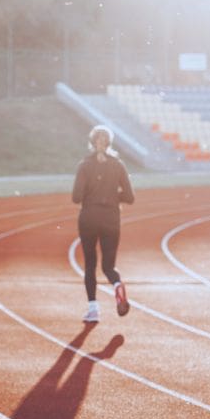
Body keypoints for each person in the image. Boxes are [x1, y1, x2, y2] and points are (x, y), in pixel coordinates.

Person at [71, 125, 135, 323]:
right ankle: (116, 285)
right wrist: (112, 195)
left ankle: (93, 309)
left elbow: (76, 197)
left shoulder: (84, 165)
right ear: (109, 142)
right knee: (109, 266)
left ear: (92, 142)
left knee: (90, 264)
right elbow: (130, 197)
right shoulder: (118, 165)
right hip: (111, 219)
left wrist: (93, 194)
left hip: (89, 217)